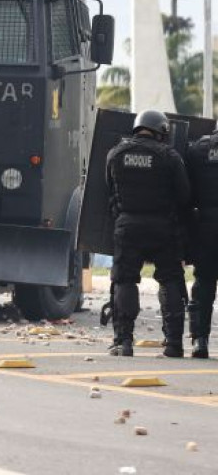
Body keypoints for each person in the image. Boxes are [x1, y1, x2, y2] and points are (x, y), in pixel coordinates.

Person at [104, 110, 192, 357]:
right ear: (162, 131)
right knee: (171, 279)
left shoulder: (115, 154)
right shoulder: (170, 156)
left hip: (127, 226)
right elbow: (184, 196)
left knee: (124, 280)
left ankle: (123, 342)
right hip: (163, 227)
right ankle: (174, 344)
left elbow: (109, 191)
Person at [185, 131, 218, 358]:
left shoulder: (197, 149)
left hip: (205, 225)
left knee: (204, 283)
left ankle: (200, 341)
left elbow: (186, 189)